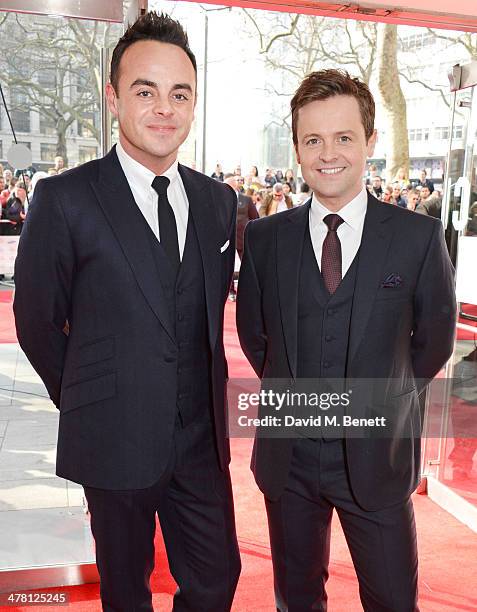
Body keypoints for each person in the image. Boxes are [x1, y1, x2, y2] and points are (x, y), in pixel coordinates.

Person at [14, 12, 240, 611]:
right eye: (146, 91)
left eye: (179, 94)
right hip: (113, 439)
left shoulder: (220, 202)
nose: (163, 108)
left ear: (193, 105)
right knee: (125, 593)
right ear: (114, 98)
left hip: (201, 443)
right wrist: (94, 396)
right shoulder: (64, 199)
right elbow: (36, 322)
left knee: (216, 581)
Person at [237, 69, 456, 611]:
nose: (327, 153)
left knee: (391, 600)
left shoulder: (417, 238)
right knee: (297, 600)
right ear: (296, 149)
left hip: (378, 457)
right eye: (313, 139)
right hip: (289, 459)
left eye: (343, 137)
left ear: (369, 141)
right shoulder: (266, 239)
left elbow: (434, 343)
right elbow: (255, 337)